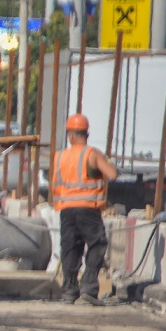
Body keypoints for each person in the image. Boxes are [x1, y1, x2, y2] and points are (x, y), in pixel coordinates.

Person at [52, 113, 117, 306]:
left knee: (70, 249)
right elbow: (112, 174)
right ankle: (88, 289)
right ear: (86, 133)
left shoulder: (60, 156)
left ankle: (69, 292)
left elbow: (56, 183)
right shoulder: (92, 154)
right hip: (88, 209)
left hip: (66, 210)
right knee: (97, 244)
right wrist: (106, 163)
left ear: (71, 135)